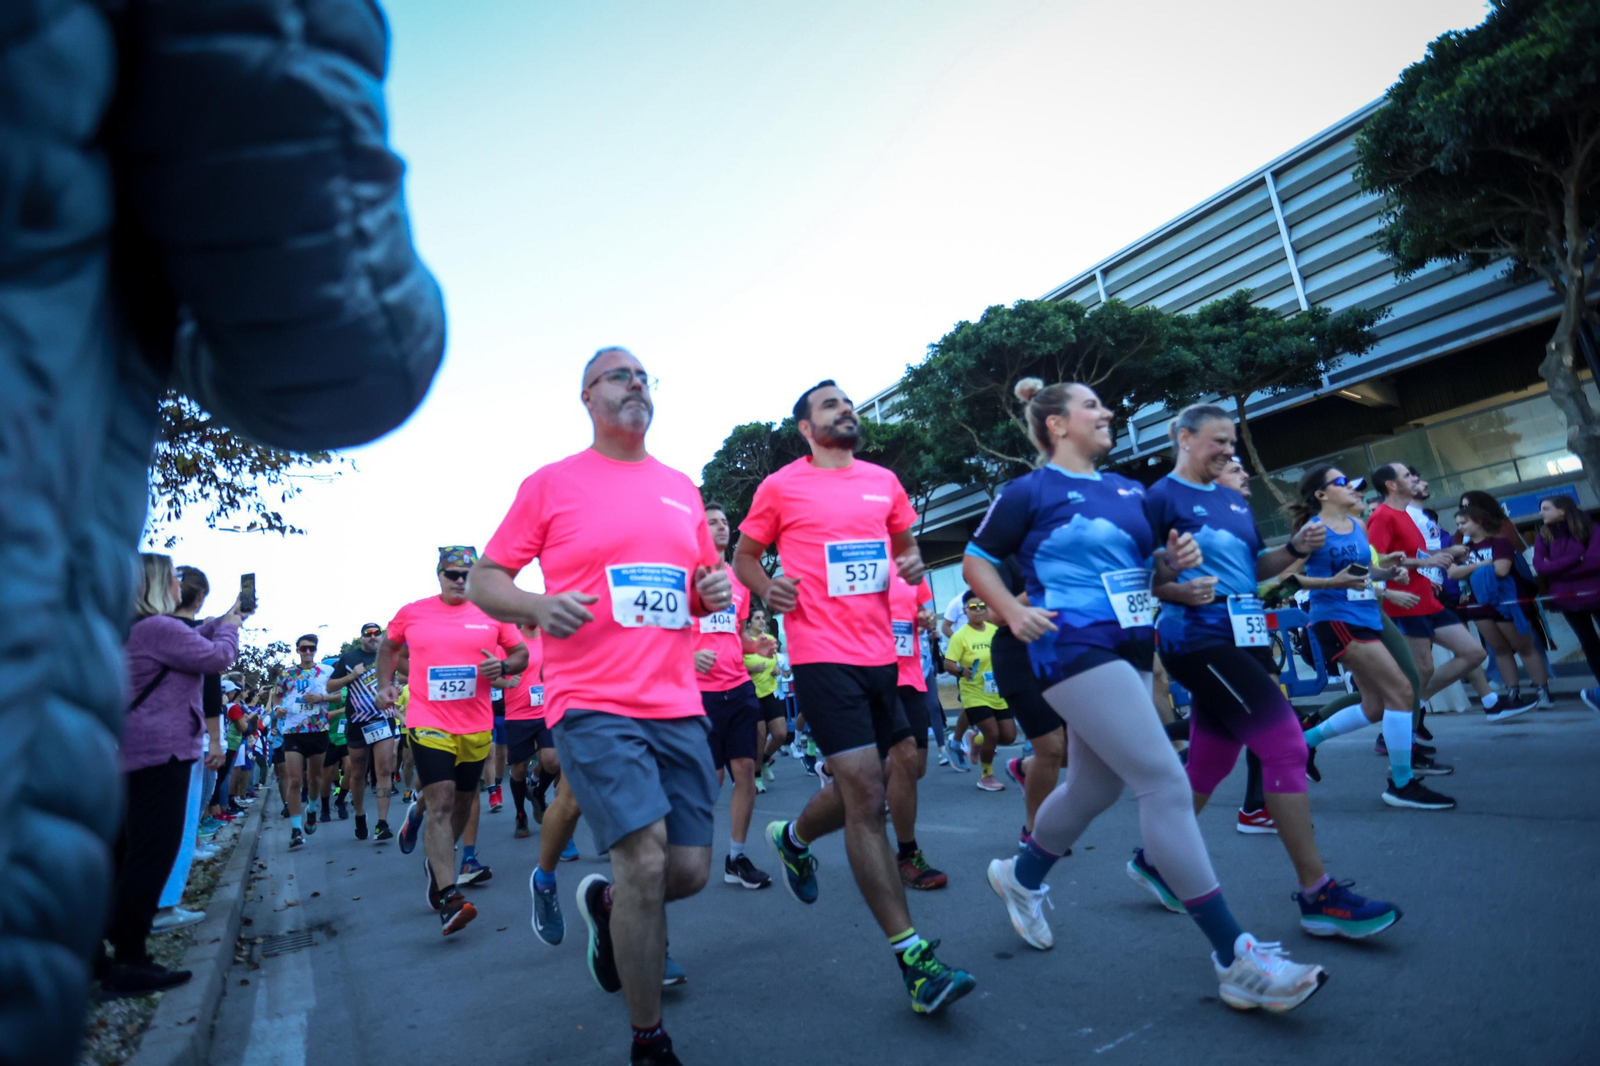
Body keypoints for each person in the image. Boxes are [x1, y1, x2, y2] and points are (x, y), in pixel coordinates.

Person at [970, 378, 1326, 1012]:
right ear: (1056, 424)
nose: (1106, 412)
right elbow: (977, 561)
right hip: (1070, 643)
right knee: (1163, 780)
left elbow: (1147, 576)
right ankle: (1234, 957)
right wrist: (1008, 611)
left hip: (1133, 646)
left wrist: (1174, 577)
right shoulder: (1029, 491)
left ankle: (1019, 878)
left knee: (1093, 787)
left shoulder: (1129, 492)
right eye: (1091, 406)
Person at [468, 347, 729, 1066]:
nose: (636, 383)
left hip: (677, 702)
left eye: (644, 375)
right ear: (587, 396)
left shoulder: (680, 487)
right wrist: (535, 604)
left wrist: (712, 595)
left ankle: (608, 907)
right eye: (620, 375)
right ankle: (650, 1040)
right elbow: (489, 576)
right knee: (642, 861)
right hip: (592, 702)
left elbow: (705, 580)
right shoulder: (552, 484)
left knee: (689, 872)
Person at [736, 379, 976, 1016]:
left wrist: (915, 568)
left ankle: (791, 838)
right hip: (822, 658)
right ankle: (914, 959)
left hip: (883, 659)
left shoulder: (884, 481)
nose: (846, 409)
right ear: (806, 429)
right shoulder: (782, 486)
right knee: (867, 793)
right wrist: (770, 590)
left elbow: (904, 548)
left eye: (848, 402)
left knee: (880, 776)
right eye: (830, 405)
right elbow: (746, 555)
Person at [1146, 409, 1400, 938]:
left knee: (1212, 760)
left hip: (1244, 634)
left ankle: (1156, 861)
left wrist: (1294, 550)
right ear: (1184, 438)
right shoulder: (1160, 499)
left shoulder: (1233, 501)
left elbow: (1252, 565)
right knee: (1286, 746)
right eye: (1218, 441)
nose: (1228, 451)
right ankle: (1317, 894)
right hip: (1196, 639)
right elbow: (1138, 575)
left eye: (1233, 442)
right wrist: (1173, 584)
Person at [103, 555, 243, 997]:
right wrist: (231, 627)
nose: (180, 588)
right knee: (152, 853)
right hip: (161, 753)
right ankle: (131, 957)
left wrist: (221, 619)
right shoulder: (159, 630)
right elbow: (218, 656)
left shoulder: (136, 629)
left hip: (132, 752)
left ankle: (102, 952)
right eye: (173, 580)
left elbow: (192, 639)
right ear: (159, 585)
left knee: (127, 851)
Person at [377, 548, 526, 935]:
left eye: (465, 574)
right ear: (439, 575)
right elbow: (389, 647)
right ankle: (448, 896)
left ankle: (436, 860)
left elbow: (520, 652)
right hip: (428, 720)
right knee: (441, 798)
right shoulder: (413, 612)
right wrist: (385, 685)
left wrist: (506, 666)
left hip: (475, 725)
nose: (459, 580)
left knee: (463, 801)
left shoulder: (491, 613)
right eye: (451, 574)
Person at [1297, 468, 1456, 810]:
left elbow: (1363, 570)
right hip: (1337, 621)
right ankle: (1402, 783)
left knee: (1374, 706)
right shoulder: (1312, 532)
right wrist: (1330, 584)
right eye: (1343, 483)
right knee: (1401, 691)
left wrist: (1387, 571)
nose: (1355, 488)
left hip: (1368, 615)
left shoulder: (1357, 526)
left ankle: (1302, 743)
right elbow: (1281, 581)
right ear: (1321, 495)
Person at [1370, 464, 1531, 722]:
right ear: (1391, 485)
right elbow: (1376, 564)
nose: (1415, 478)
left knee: (1475, 653)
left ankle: (1414, 708)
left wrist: (1445, 554)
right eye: (1408, 476)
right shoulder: (1382, 516)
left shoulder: (1408, 514)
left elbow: (1415, 556)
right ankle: (1400, 721)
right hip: (1406, 602)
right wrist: (1422, 565)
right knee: (1422, 670)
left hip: (1428, 598)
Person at [987, 554, 1069, 843]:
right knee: (1051, 748)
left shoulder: (1060, 551)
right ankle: (1034, 832)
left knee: (1071, 752)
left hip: (1060, 653)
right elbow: (994, 616)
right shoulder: (1006, 559)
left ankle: (1023, 768)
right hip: (1017, 658)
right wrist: (1039, 588)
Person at [1452, 505, 1550, 715]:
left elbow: (1501, 569)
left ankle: (1542, 691)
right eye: (1458, 524)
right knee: (1499, 650)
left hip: (1506, 603)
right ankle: (1513, 693)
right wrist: (1485, 563)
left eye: (1464, 522)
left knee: (1524, 647)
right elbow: (1453, 573)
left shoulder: (1500, 542)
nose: (1460, 528)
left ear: (1478, 521)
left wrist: (1471, 568)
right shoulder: (1462, 548)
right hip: (1478, 604)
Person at [888, 573, 946, 889]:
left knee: (915, 769)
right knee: (904, 760)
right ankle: (908, 854)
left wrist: (925, 618)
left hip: (911, 675)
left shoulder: (909, 568)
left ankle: (794, 836)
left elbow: (925, 612)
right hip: (875, 675)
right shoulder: (854, 552)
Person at [329, 623, 398, 841]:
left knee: (384, 770)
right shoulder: (349, 658)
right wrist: (350, 677)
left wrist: (396, 690)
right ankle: (359, 814)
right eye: (367, 635)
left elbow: (398, 680)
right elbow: (330, 686)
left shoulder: (389, 656)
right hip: (358, 722)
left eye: (376, 634)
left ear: (382, 636)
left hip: (382, 720)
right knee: (358, 773)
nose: (372, 638)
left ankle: (382, 822)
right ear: (361, 638)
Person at [1533, 495, 1600, 709]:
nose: (1541, 513)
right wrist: (1574, 560)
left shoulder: (1591, 528)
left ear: (1562, 510)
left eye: (1546, 508)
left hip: (1596, 593)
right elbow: (1541, 567)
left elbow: (1595, 561)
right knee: (1589, 643)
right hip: (1566, 598)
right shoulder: (1543, 536)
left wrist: (1557, 567)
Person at [943, 590, 1015, 791]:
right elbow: (948, 663)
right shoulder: (960, 637)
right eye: (973, 607)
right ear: (965, 611)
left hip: (997, 691)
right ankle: (986, 776)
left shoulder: (994, 630)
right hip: (974, 693)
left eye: (982, 606)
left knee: (1009, 736)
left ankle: (976, 741)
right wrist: (960, 670)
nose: (978, 611)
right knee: (992, 732)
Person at [272, 635, 336, 848]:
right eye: (304, 649)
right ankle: (296, 830)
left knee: (315, 778)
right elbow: (278, 697)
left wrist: (322, 698)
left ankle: (311, 808)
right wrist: (277, 710)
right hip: (293, 731)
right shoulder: (286, 674)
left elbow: (340, 695)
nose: (308, 652)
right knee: (295, 780)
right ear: (297, 650)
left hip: (318, 730)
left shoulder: (326, 672)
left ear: (316, 650)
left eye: (311, 648)